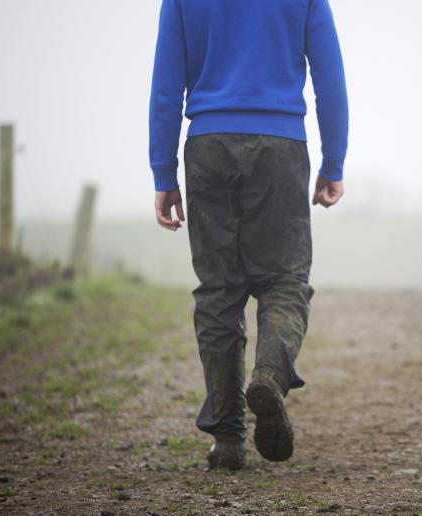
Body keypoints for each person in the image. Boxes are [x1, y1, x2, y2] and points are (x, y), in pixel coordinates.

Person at [148, 0, 348, 471]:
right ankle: (270, 376)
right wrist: (333, 162)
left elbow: (166, 86)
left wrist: (163, 172)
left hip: (208, 146)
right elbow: (330, 78)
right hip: (280, 147)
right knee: (285, 281)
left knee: (218, 292)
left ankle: (228, 438)